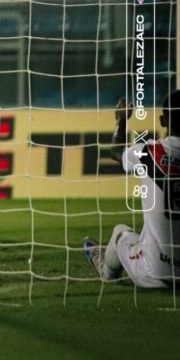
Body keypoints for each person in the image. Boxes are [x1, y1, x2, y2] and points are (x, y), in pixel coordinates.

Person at [83, 93, 180, 288]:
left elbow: (116, 152)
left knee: (121, 233)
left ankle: (106, 271)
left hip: (154, 274)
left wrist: (121, 120)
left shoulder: (148, 152)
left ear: (162, 121)